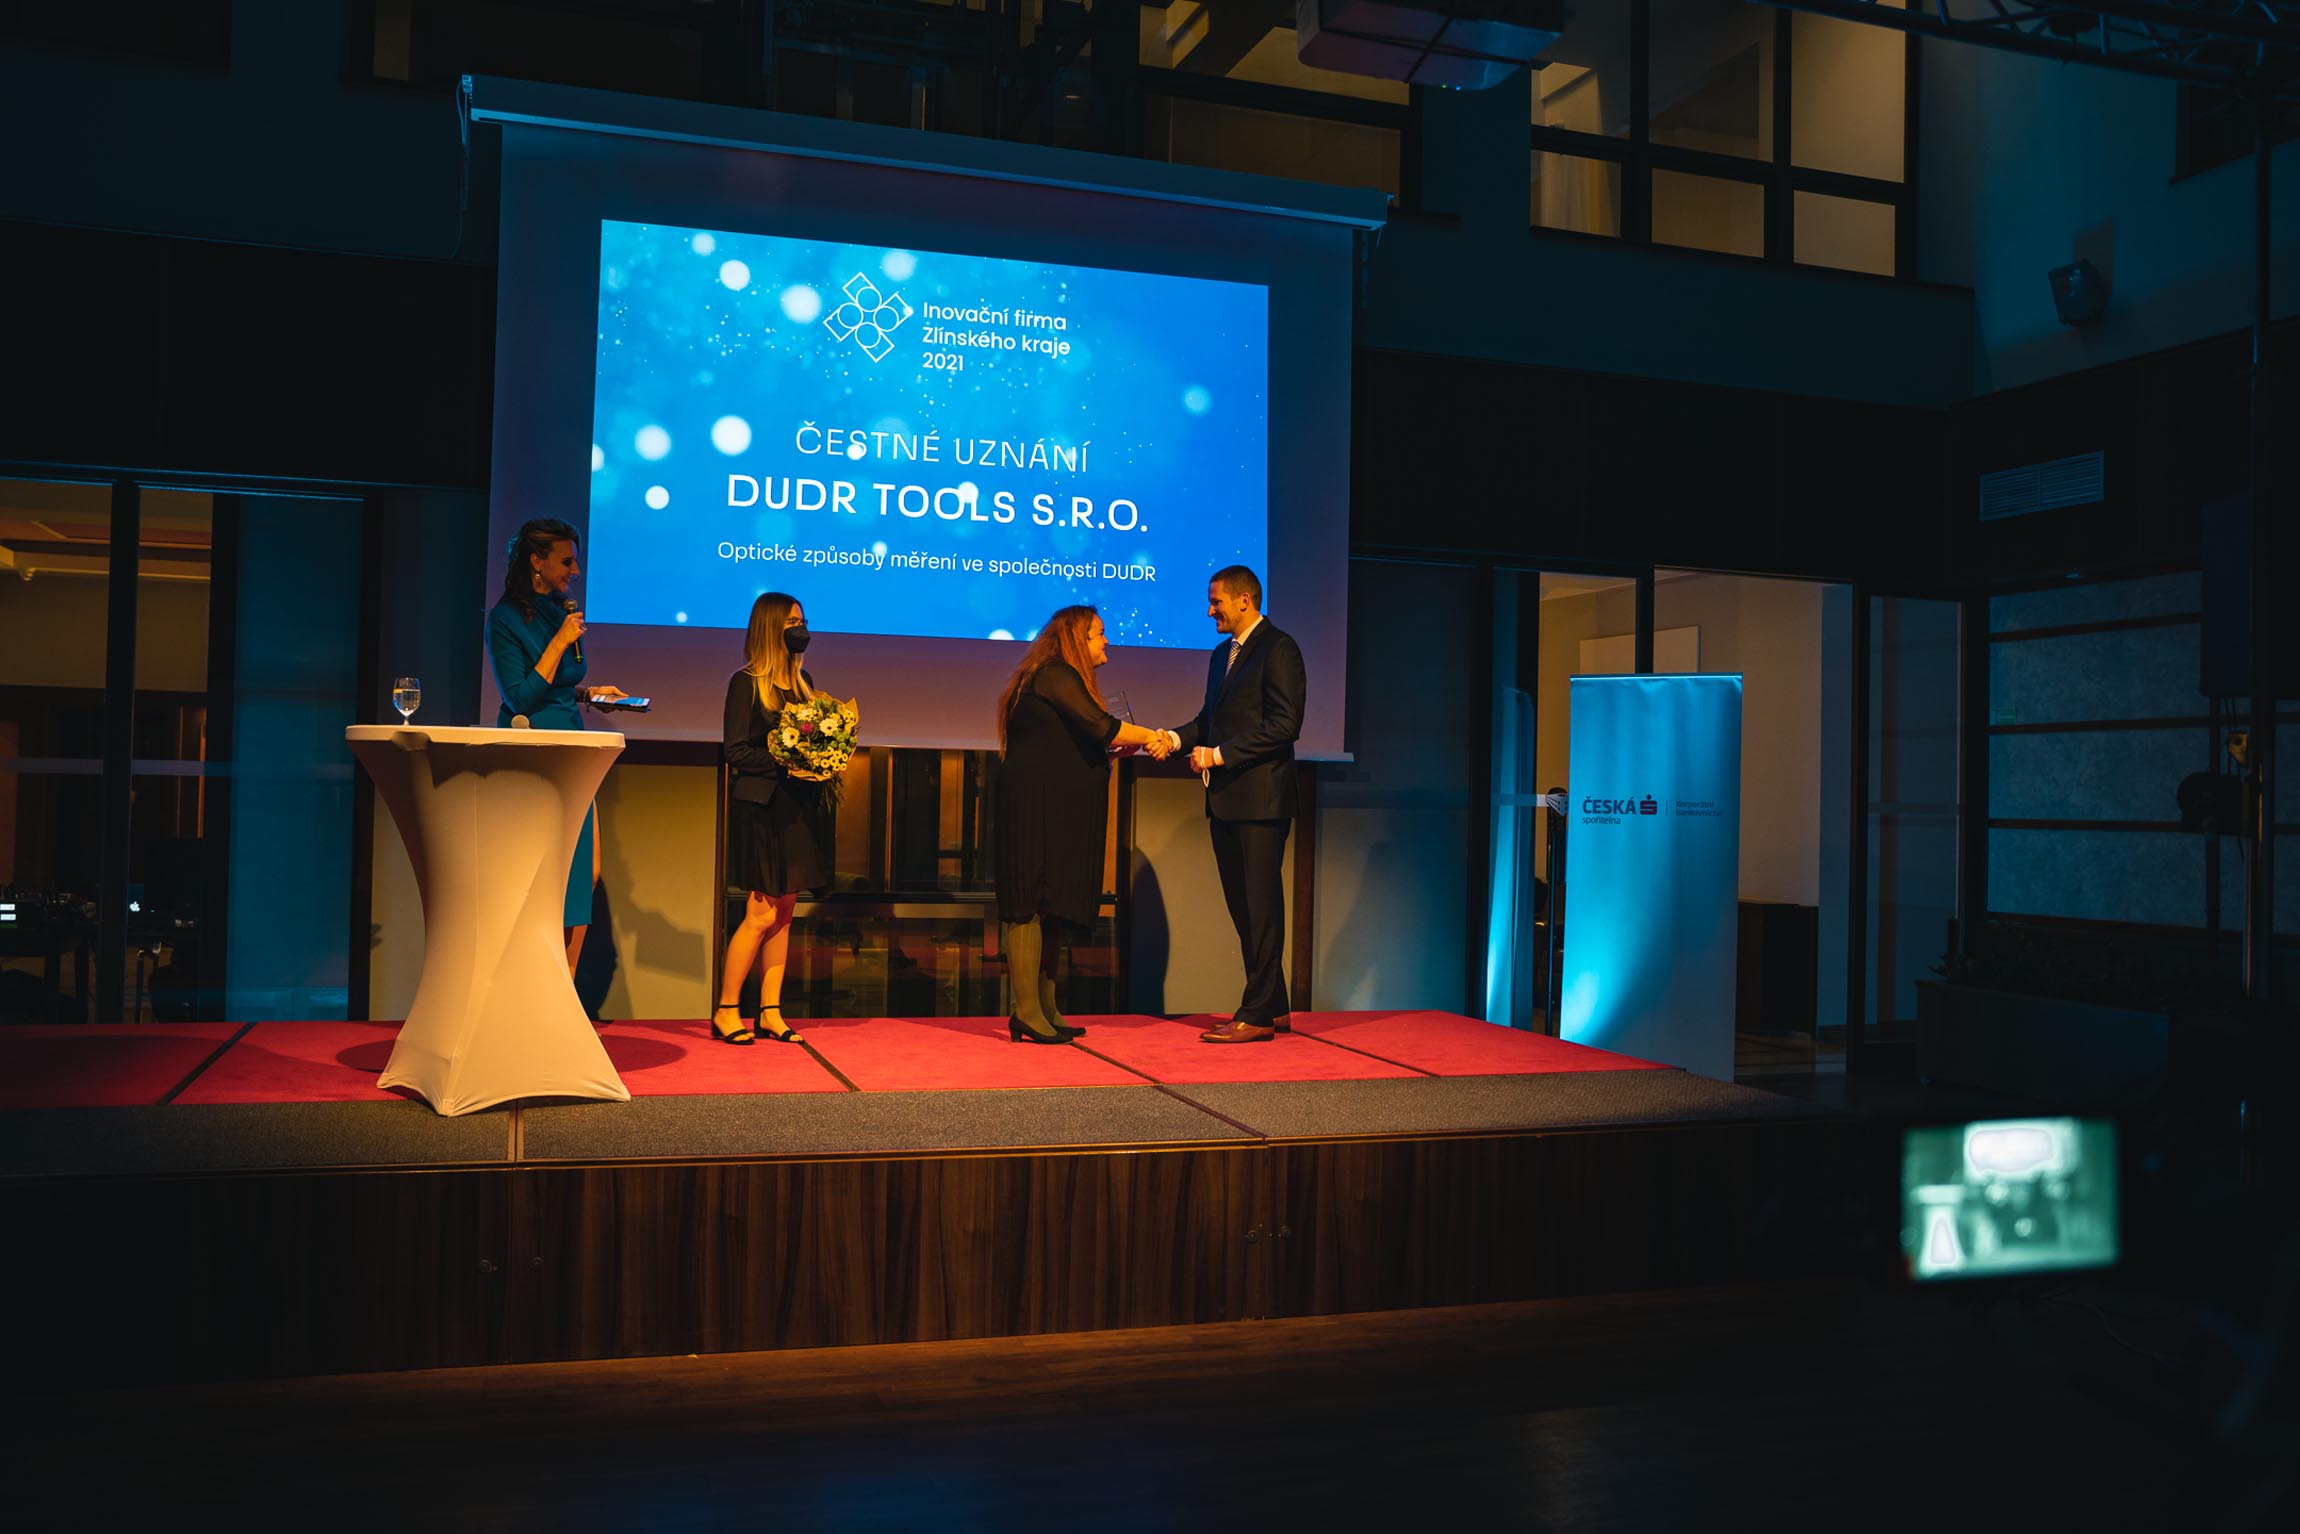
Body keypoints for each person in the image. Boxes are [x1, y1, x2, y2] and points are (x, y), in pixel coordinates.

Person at [994, 606, 1174, 1044]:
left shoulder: (1057, 677)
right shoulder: (1054, 674)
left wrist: (1110, 749)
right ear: (1077, 638)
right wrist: (1153, 736)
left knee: (1051, 904)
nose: (1107, 640)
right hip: (1036, 812)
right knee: (1030, 902)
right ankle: (1026, 1012)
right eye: (1099, 633)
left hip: (1055, 812)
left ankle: (1046, 1007)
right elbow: (1101, 726)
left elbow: (1076, 740)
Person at [1157, 566, 1306, 1043]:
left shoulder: (1279, 648)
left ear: (1245, 600)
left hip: (1261, 800)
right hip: (1226, 801)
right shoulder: (1223, 654)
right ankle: (1274, 1006)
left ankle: (1256, 1014)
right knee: (1244, 909)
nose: (1210, 611)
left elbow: (1285, 725)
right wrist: (1172, 739)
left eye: (1216, 601)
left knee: (1260, 909)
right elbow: (1209, 721)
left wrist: (1217, 756)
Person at [487, 518, 633, 977]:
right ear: (537, 561)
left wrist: (590, 695)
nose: (575, 571)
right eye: (566, 561)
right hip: (535, 753)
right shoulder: (504, 619)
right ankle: (534, 984)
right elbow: (520, 697)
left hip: (573, 748)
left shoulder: (557, 610)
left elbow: (558, 684)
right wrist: (559, 642)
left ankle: (563, 991)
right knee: (545, 878)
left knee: (584, 875)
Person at [714, 591, 833, 1045]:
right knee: (760, 913)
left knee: (784, 913)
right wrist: (786, 761)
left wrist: (820, 759)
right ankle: (727, 1010)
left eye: (803, 621)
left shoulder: (804, 684)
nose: (801, 630)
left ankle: (770, 1011)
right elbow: (736, 750)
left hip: (796, 808)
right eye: (791, 623)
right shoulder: (745, 683)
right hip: (761, 809)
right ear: (770, 628)